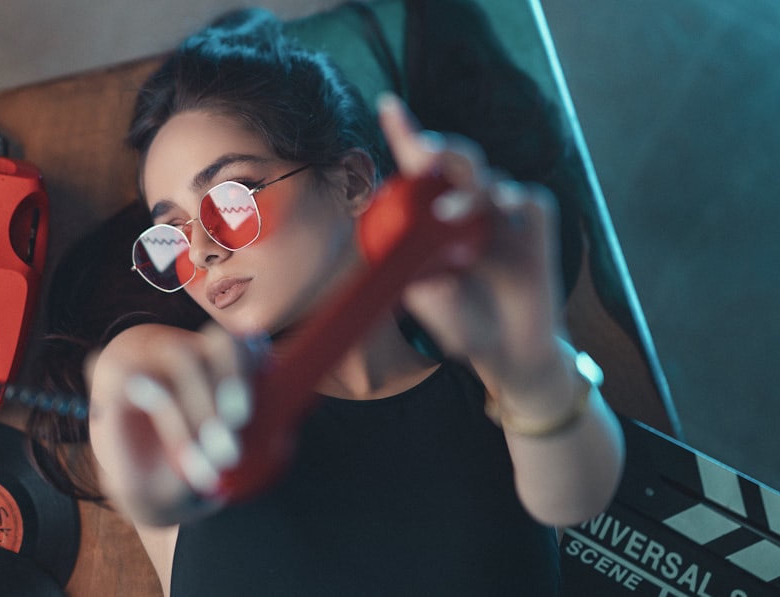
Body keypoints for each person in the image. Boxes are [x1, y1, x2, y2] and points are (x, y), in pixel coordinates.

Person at [80, 6, 624, 596]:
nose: (203, 250)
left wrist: (533, 365)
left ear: (353, 182)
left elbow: (577, 500)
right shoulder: (172, 374)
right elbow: (132, 389)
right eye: (173, 233)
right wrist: (162, 449)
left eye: (231, 200)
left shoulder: (493, 393)